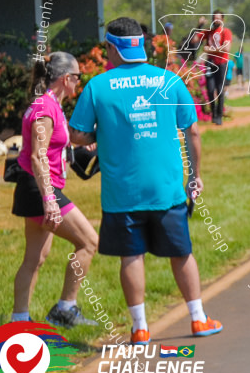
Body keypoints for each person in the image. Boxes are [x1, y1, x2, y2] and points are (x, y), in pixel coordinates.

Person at [69, 17, 223, 345]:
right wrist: (195, 176)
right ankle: (197, 319)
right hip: (166, 190)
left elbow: (77, 135)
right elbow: (192, 131)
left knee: (131, 257)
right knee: (181, 253)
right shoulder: (169, 80)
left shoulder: (98, 86)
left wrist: (103, 134)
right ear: (140, 45)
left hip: (121, 193)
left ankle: (140, 328)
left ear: (112, 48)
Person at [11, 53, 99, 328]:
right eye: (77, 78)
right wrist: (49, 201)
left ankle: (19, 322)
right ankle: (65, 309)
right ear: (66, 78)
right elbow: (37, 156)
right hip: (39, 189)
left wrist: (78, 150)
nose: (78, 83)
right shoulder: (44, 108)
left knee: (35, 258)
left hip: (37, 188)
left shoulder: (52, 106)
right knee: (88, 242)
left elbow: (53, 147)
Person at [197, 13, 233, 125]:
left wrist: (209, 50)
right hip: (210, 64)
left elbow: (226, 48)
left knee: (220, 90)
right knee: (210, 90)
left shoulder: (226, 32)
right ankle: (214, 114)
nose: (216, 20)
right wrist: (199, 25)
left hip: (221, 64)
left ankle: (219, 116)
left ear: (222, 20)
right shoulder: (208, 32)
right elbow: (194, 39)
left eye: (218, 18)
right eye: (214, 18)